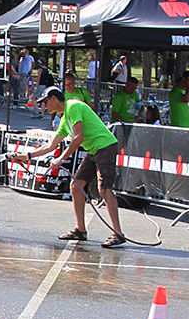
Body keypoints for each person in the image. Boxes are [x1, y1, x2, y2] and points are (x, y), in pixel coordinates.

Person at [28, 86, 126, 248]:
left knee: (104, 188)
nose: (45, 106)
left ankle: (118, 233)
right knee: (76, 185)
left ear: (53, 98)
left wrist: (61, 159)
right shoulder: (64, 119)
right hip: (93, 149)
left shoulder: (72, 106)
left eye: (45, 102)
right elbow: (51, 145)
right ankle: (81, 230)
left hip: (105, 146)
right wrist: (25, 156)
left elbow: (79, 137)